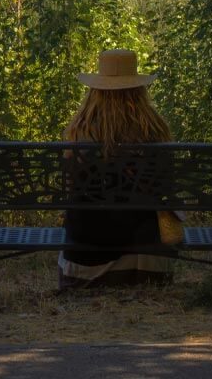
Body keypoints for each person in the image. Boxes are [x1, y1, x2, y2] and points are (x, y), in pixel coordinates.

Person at [58, 49, 177, 289]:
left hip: (85, 251)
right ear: (139, 90)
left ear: (95, 90)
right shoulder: (154, 131)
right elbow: (165, 187)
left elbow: (71, 191)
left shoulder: (79, 132)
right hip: (147, 254)